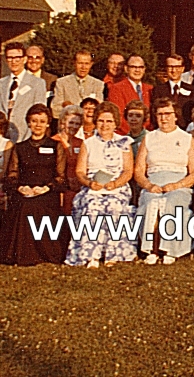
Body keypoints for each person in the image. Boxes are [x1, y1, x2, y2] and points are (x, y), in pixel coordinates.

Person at [66, 101, 138, 268]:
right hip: (93, 187)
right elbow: (80, 171)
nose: (105, 125)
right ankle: (90, 255)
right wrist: (90, 183)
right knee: (93, 207)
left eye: (109, 121)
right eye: (101, 121)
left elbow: (128, 171)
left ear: (115, 123)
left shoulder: (124, 142)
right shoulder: (88, 143)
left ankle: (114, 254)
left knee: (114, 207)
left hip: (117, 186)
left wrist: (115, 183)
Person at [0, 104, 66, 266]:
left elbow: (61, 177)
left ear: (48, 123)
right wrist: (21, 188)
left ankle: (45, 252)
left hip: (47, 192)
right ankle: (25, 254)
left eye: (42, 121)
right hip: (24, 191)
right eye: (34, 121)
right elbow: (12, 174)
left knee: (38, 205)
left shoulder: (56, 146)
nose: (38, 125)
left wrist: (46, 188)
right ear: (28, 123)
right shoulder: (19, 147)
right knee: (25, 205)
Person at [135, 97, 194, 265]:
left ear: (176, 115)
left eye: (168, 114)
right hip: (154, 182)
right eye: (160, 114)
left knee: (172, 203)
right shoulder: (149, 138)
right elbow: (139, 171)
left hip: (179, 184)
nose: (164, 118)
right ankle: (152, 250)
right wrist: (149, 185)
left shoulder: (186, 138)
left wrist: (177, 185)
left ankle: (170, 250)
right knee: (151, 203)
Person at [0, 42, 48, 142]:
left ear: (24, 59)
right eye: (10, 58)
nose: (14, 61)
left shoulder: (37, 83)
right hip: (1, 137)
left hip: (24, 136)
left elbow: (39, 112)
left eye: (17, 58)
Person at [106, 55, 153, 135]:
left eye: (140, 67)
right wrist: (136, 133)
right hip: (126, 135)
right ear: (126, 69)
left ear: (144, 69)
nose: (137, 70)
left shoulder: (150, 89)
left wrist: (148, 134)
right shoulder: (116, 88)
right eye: (133, 67)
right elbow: (118, 117)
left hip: (149, 135)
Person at [51, 49, 105, 119]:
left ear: (91, 64)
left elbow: (99, 110)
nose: (83, 67)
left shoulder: (98, 84)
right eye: (80, 63)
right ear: (74, 63)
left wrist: (70, 107)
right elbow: (55, 110)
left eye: (86, 64)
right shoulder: (61, 82)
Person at [54, 105, 86, 214]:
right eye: (71, 123)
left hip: (78, 189)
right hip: (60, 190)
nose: (74, 126)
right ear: (63, 123)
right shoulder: (53, 141)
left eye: (77, 124)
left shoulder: (81, 143)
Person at [152, 54, 194, 128]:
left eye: (177, 67)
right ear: (166, 68)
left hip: (186, 129)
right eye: (170, 67)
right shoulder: (158, 90)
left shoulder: (192, 89)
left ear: (182, 69)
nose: (173, 70)